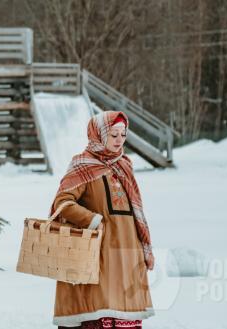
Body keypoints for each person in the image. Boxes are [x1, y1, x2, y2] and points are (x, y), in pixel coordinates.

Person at [49, 111, 155, 328]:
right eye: (113, 134)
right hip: (98, 256)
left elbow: (137, 213)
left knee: (125, 313)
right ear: (98, 134)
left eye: (123, 134)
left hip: (128, 256)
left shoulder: (124, 165)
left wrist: (146, 249)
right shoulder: (82, 165)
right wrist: (93, 220)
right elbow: (62, 203)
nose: (119, 140)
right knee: (98, 313)